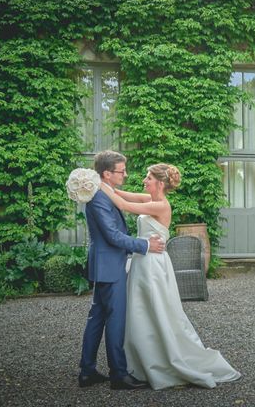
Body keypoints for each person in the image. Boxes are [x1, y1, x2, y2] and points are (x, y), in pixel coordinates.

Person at [100, 163, 242, 389]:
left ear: (160, 182)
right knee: (140, 310)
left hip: (154, 266)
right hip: (141, 262)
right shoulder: (149, 199)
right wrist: (100, 183)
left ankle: (165, 359)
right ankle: (142, 359)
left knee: (158, 309)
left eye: (148, 178)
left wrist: (97, 184)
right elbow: (120, 194)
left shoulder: (161, 206)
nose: (144, 181)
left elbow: (124, 205)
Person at [78, 150, 166, 390]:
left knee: (97, 318)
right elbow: (113, 235)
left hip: (106, 264)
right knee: (115, 319)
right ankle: (119, 374)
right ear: (107, 174)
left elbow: (127, 204)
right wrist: (145, 245)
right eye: (121, 170)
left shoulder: (106, 192)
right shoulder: (98, 198)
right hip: (110, 265)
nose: (126, 174)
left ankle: (87, 372)